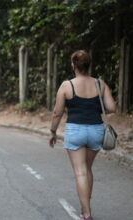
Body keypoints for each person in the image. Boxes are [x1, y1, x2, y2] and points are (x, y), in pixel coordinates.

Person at [49, 50, 116, 220]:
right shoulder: (100, 84)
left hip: (75, 130)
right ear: (88, 65)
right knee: (87, 169)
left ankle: (86, 213)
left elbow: (57, 113)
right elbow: (112, 108)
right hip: (96, 130)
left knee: (80, 172)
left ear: (73, 66)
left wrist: (53, 132)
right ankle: (85, 206)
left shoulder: (67, 85)